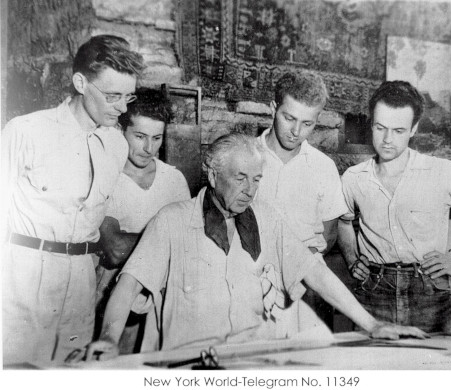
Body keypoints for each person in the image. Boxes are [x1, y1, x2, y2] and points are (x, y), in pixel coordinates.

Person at [73, 133, 426, 362]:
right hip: (190, 365)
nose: (250, 190)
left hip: (253, 362)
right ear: (212, 175)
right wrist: (107, 337)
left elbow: (314, 270)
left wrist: (370, 325)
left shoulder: (267, 218)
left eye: (257, 179)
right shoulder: (173, 220)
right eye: (240, 178)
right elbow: (130, 283)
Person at [1, 35, 144, 365]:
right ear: (81, 82)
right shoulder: (25, 132)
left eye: (128, 96)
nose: (123, 107)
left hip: (82, 281)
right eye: (112, 96)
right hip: (24, 278)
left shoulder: (116, 146)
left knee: (69, 378)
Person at [337, 80, 451, 333]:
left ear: (414, 129)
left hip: (429, 295)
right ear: (371, 123)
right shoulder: (353, 177)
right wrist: (351, 258)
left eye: (399, 130)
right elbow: (344, 221)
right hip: (372, 293)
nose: (387, 140)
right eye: (380, 127)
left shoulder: (442, 173)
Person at [94, 87, 191, 352]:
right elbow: (113, 249)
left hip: (161, 295)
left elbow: (189, 245)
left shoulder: (173, 179)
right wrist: (166, 241)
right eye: (140, 136)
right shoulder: (107, 177)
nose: (149, 148)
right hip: (110, 295)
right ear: (120, 130)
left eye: (157, 138)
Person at [255, 71, 347, 330]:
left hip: (310, 287)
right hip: (254, 280)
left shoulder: (323, 167)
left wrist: (301, 264)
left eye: (307, 123)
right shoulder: (247, 157)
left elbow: (329, 235)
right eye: (289, 118)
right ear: (273, 108)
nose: (296, 132)